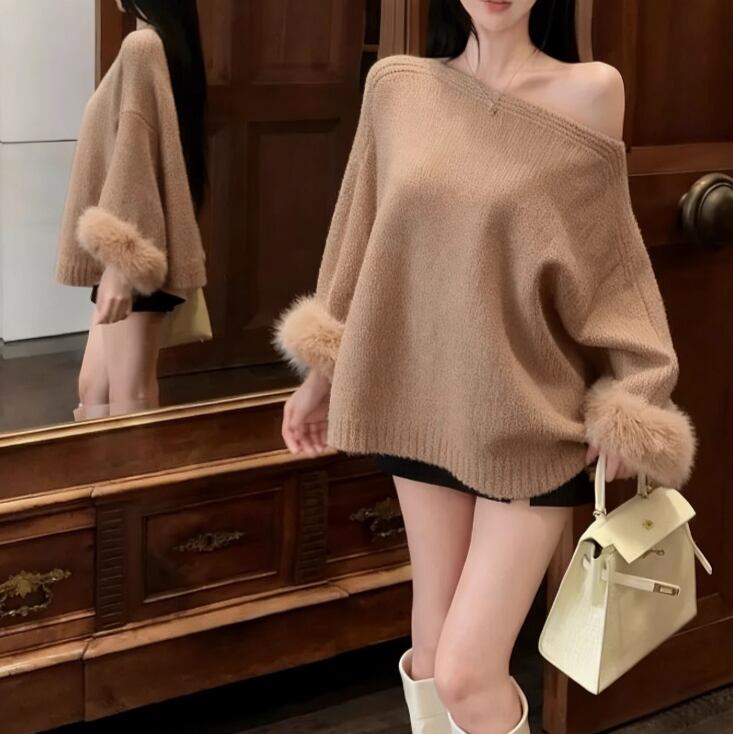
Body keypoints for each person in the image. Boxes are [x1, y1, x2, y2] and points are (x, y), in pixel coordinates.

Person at [271, 1, 697, 732]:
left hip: (530, 417)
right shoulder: (397, 87)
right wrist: (322, 374)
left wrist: (637, 393)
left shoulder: (592, 92)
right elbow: (356, 239)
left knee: (468, 675)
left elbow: (611, 264)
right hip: (419, 405)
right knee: (432, 652)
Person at [55, 0, 208, 420]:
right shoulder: (157, 46)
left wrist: (121, 266)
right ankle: (111, 464)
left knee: (129, 396)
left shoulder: (144, 47)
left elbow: (134, 160)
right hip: (133, 243)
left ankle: (139, 466)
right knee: (95, 391)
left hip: (134, 248)